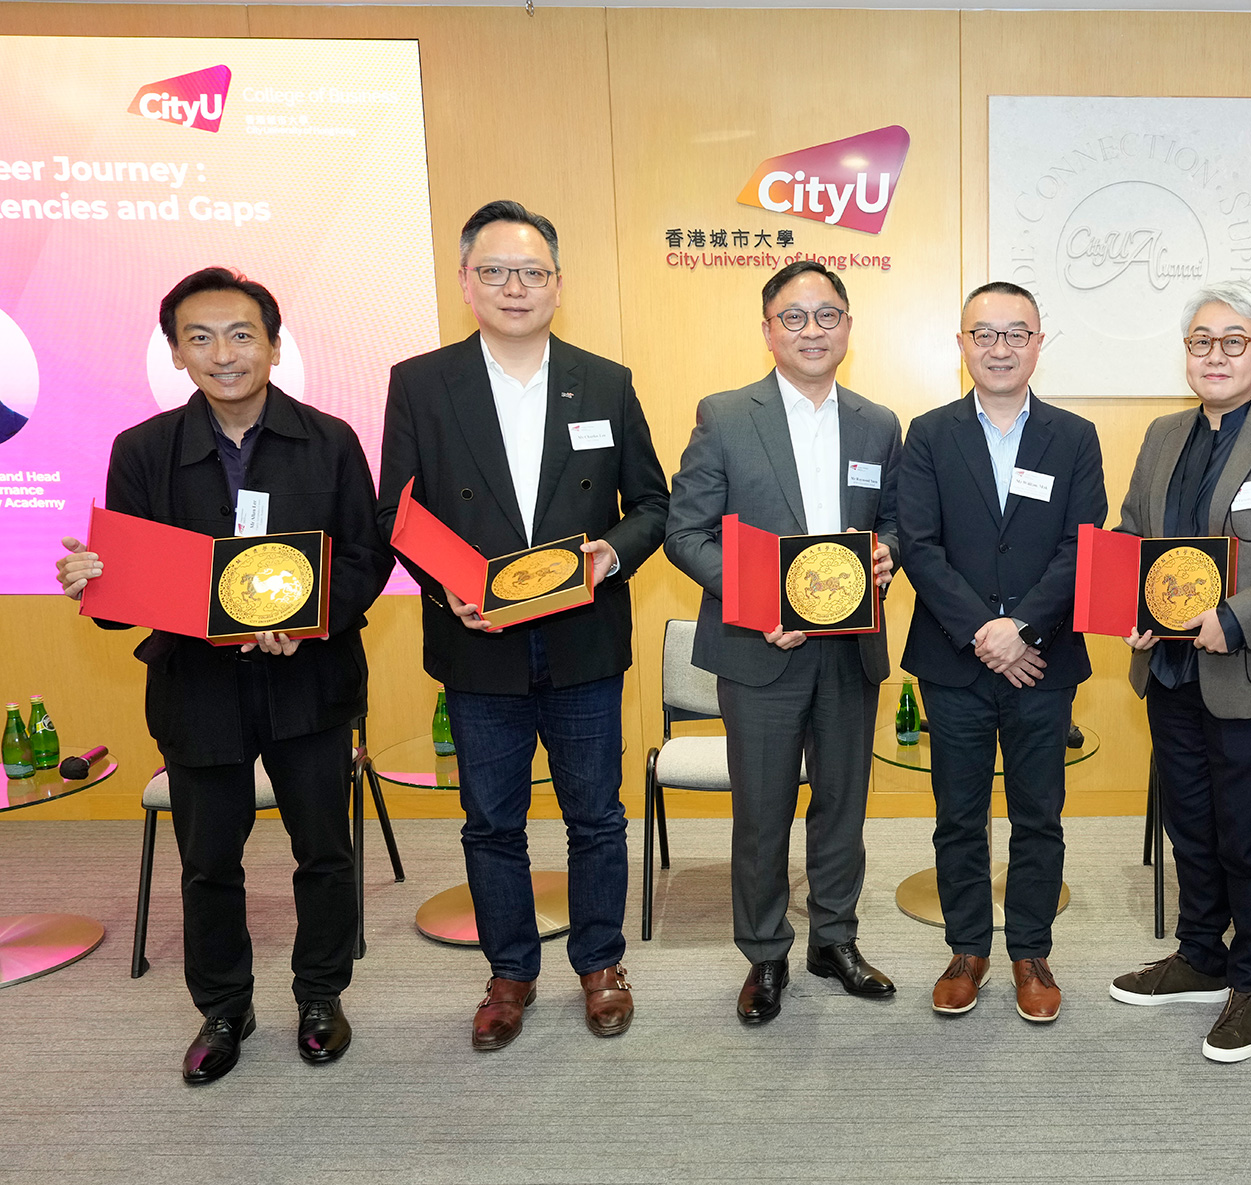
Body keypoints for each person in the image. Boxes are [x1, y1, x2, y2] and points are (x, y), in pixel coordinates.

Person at [55, 267, 393, 1083]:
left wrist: (308, 623)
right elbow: (122, 600)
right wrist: (95, 580)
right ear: (175, 353)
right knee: (209, 859)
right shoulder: (141, 451)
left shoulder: (331, 439)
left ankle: (319, 993)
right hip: (196, 689)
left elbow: (365, 557)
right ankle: (223, 1005)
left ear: (274, 345)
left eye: (242, 334)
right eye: (199, 337)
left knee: (323, 850)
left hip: (310, 683)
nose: (223, 353)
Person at [377, 200, 671, 1051]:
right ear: (465, 281)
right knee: (492, 821)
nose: (516, 286)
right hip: (478, 643)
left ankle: (600, 963)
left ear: (558, 284)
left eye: (533, 272)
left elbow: (651, 503)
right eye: (497, 271)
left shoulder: (604, 380)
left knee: (596, 814)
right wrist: (446, 591)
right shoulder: (420, 383)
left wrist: (610, 556)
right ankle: (509, 971)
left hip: (583, 640)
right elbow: (398, 512)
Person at [665, 260, 901, 1025]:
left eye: (826, 315)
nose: (812, 330)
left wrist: (888, 552)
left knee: (843, 805)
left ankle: (834, 938)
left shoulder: (878, 422)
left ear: (848, 327)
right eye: (793, 317)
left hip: (849, 649)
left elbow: (894, 521)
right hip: (761, 646)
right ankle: (765, 954)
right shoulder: (726, 415)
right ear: (767, 329)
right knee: (762, 811)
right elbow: (685, 534)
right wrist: (756, 596)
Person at [1103, 281, 1251, 1064]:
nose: (1216, 355)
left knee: (1246, 839)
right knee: (1188, 826)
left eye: (1234, 341)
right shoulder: (1162, 434)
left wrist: (1232, 618)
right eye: (1202, 340)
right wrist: (1123, 603)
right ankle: (1200, 953)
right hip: (1167, 671)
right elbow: (1131, 535)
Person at [898, 281, 1106, 1022]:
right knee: (958, 813)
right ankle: (967, 948)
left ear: (1039, 344)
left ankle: (1030, 950)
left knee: (1038, 813)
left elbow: (1083, 547)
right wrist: (985, 631)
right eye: (984, 333)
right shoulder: (926, 433)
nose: (1000, 347)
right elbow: (917, 544)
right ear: (961, 344)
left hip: (1042, 659)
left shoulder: (1074, 435)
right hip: (954, 659)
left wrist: (1022, 629)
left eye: (1017, 333)